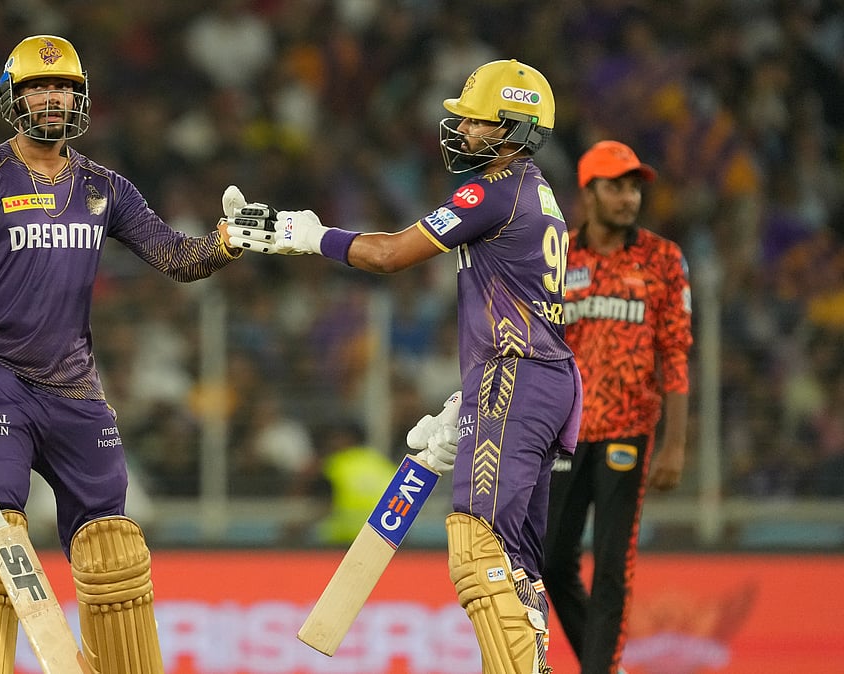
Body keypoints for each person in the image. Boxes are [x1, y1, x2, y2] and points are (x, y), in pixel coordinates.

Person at [227, 59, 581, 674]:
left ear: (513, 128)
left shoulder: (492, 191)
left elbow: (390, 255)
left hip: (514, 378)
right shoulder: (542, 196)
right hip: (540, 379)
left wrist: (304, 234)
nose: (461, 133)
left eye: (475, 123)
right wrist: (467, 402)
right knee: (518, 564)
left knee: (478, 546)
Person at [0, 34, 242, 674]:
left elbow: (175, 257)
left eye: (62, 88)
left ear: (80, 99)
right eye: (37, 88)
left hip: (74, 390)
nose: (51, 98)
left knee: (113, 550)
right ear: (15, 100)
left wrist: (228, 241)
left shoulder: (104, 186)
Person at [541, 140, 692, 674]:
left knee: (611, 564)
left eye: (634, 188)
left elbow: (674, 351)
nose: (629, 198)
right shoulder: (559, 256)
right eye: (615, 187)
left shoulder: (662, 259)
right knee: (551, 558)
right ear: (587, 193)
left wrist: (674, 444)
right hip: (564, 431)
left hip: (629, 430)